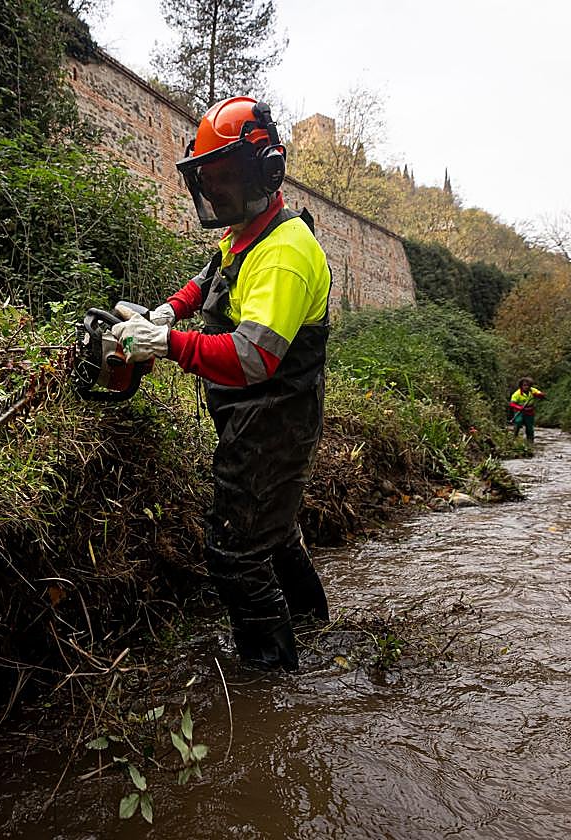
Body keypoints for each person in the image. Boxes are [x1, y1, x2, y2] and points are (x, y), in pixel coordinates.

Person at [111, 96, 331, 671]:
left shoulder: (285, 253)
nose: (217, 191)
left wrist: (169, 346)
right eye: (210, 179)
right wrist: (167, 312)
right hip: (256, 416)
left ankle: (274, 684)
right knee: (275, 535)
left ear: (265, 171)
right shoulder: (248, 232)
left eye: (226, 176)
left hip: (275, 419)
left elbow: (254, 358)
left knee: (235, 550)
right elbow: (210, 275)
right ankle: (316, 630)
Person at [509, 377, 546, 442]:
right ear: (521, 386)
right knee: (518, 422)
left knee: (530, 428)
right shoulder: (516, 394)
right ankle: (514, 438)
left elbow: (542, 395)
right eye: (524, 385)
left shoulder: (533, 390)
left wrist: (538, 395)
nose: (526, 387)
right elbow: (512, 404)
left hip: (529, 411)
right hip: (519, 411)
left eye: (528, 385)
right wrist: (519, 408)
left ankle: (530, 442)